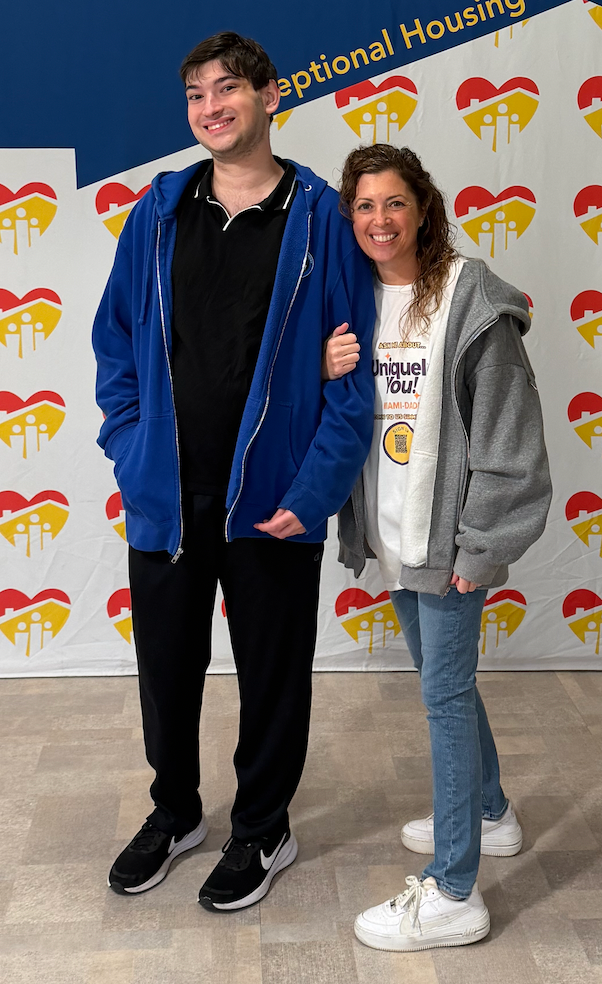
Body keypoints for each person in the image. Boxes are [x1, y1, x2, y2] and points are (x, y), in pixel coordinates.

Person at [92, 32, 375, 910]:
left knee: (272, 673)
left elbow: (355, 370)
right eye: (195, 95)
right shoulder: (159, 210)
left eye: (227, 90)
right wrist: (131, 447)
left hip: (274, 500)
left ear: (268, 96)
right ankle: (175, 811)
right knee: (166, 670)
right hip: (168, 495)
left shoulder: (322, 218)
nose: (210, 107)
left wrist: (314, 489)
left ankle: (262, 827)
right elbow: (117, 345)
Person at [324, 144, 551, 951]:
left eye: (393, 203)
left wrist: (481, 544)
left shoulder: (470, 298)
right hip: (394, 537)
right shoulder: (349, 301)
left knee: (443, 700)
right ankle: (490, 814)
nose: (378, 220)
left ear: (423, 208)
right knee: (441, 681)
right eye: (363, 206)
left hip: (451, 543)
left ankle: (457, 891)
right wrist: (326, 366)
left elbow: (511, 439)